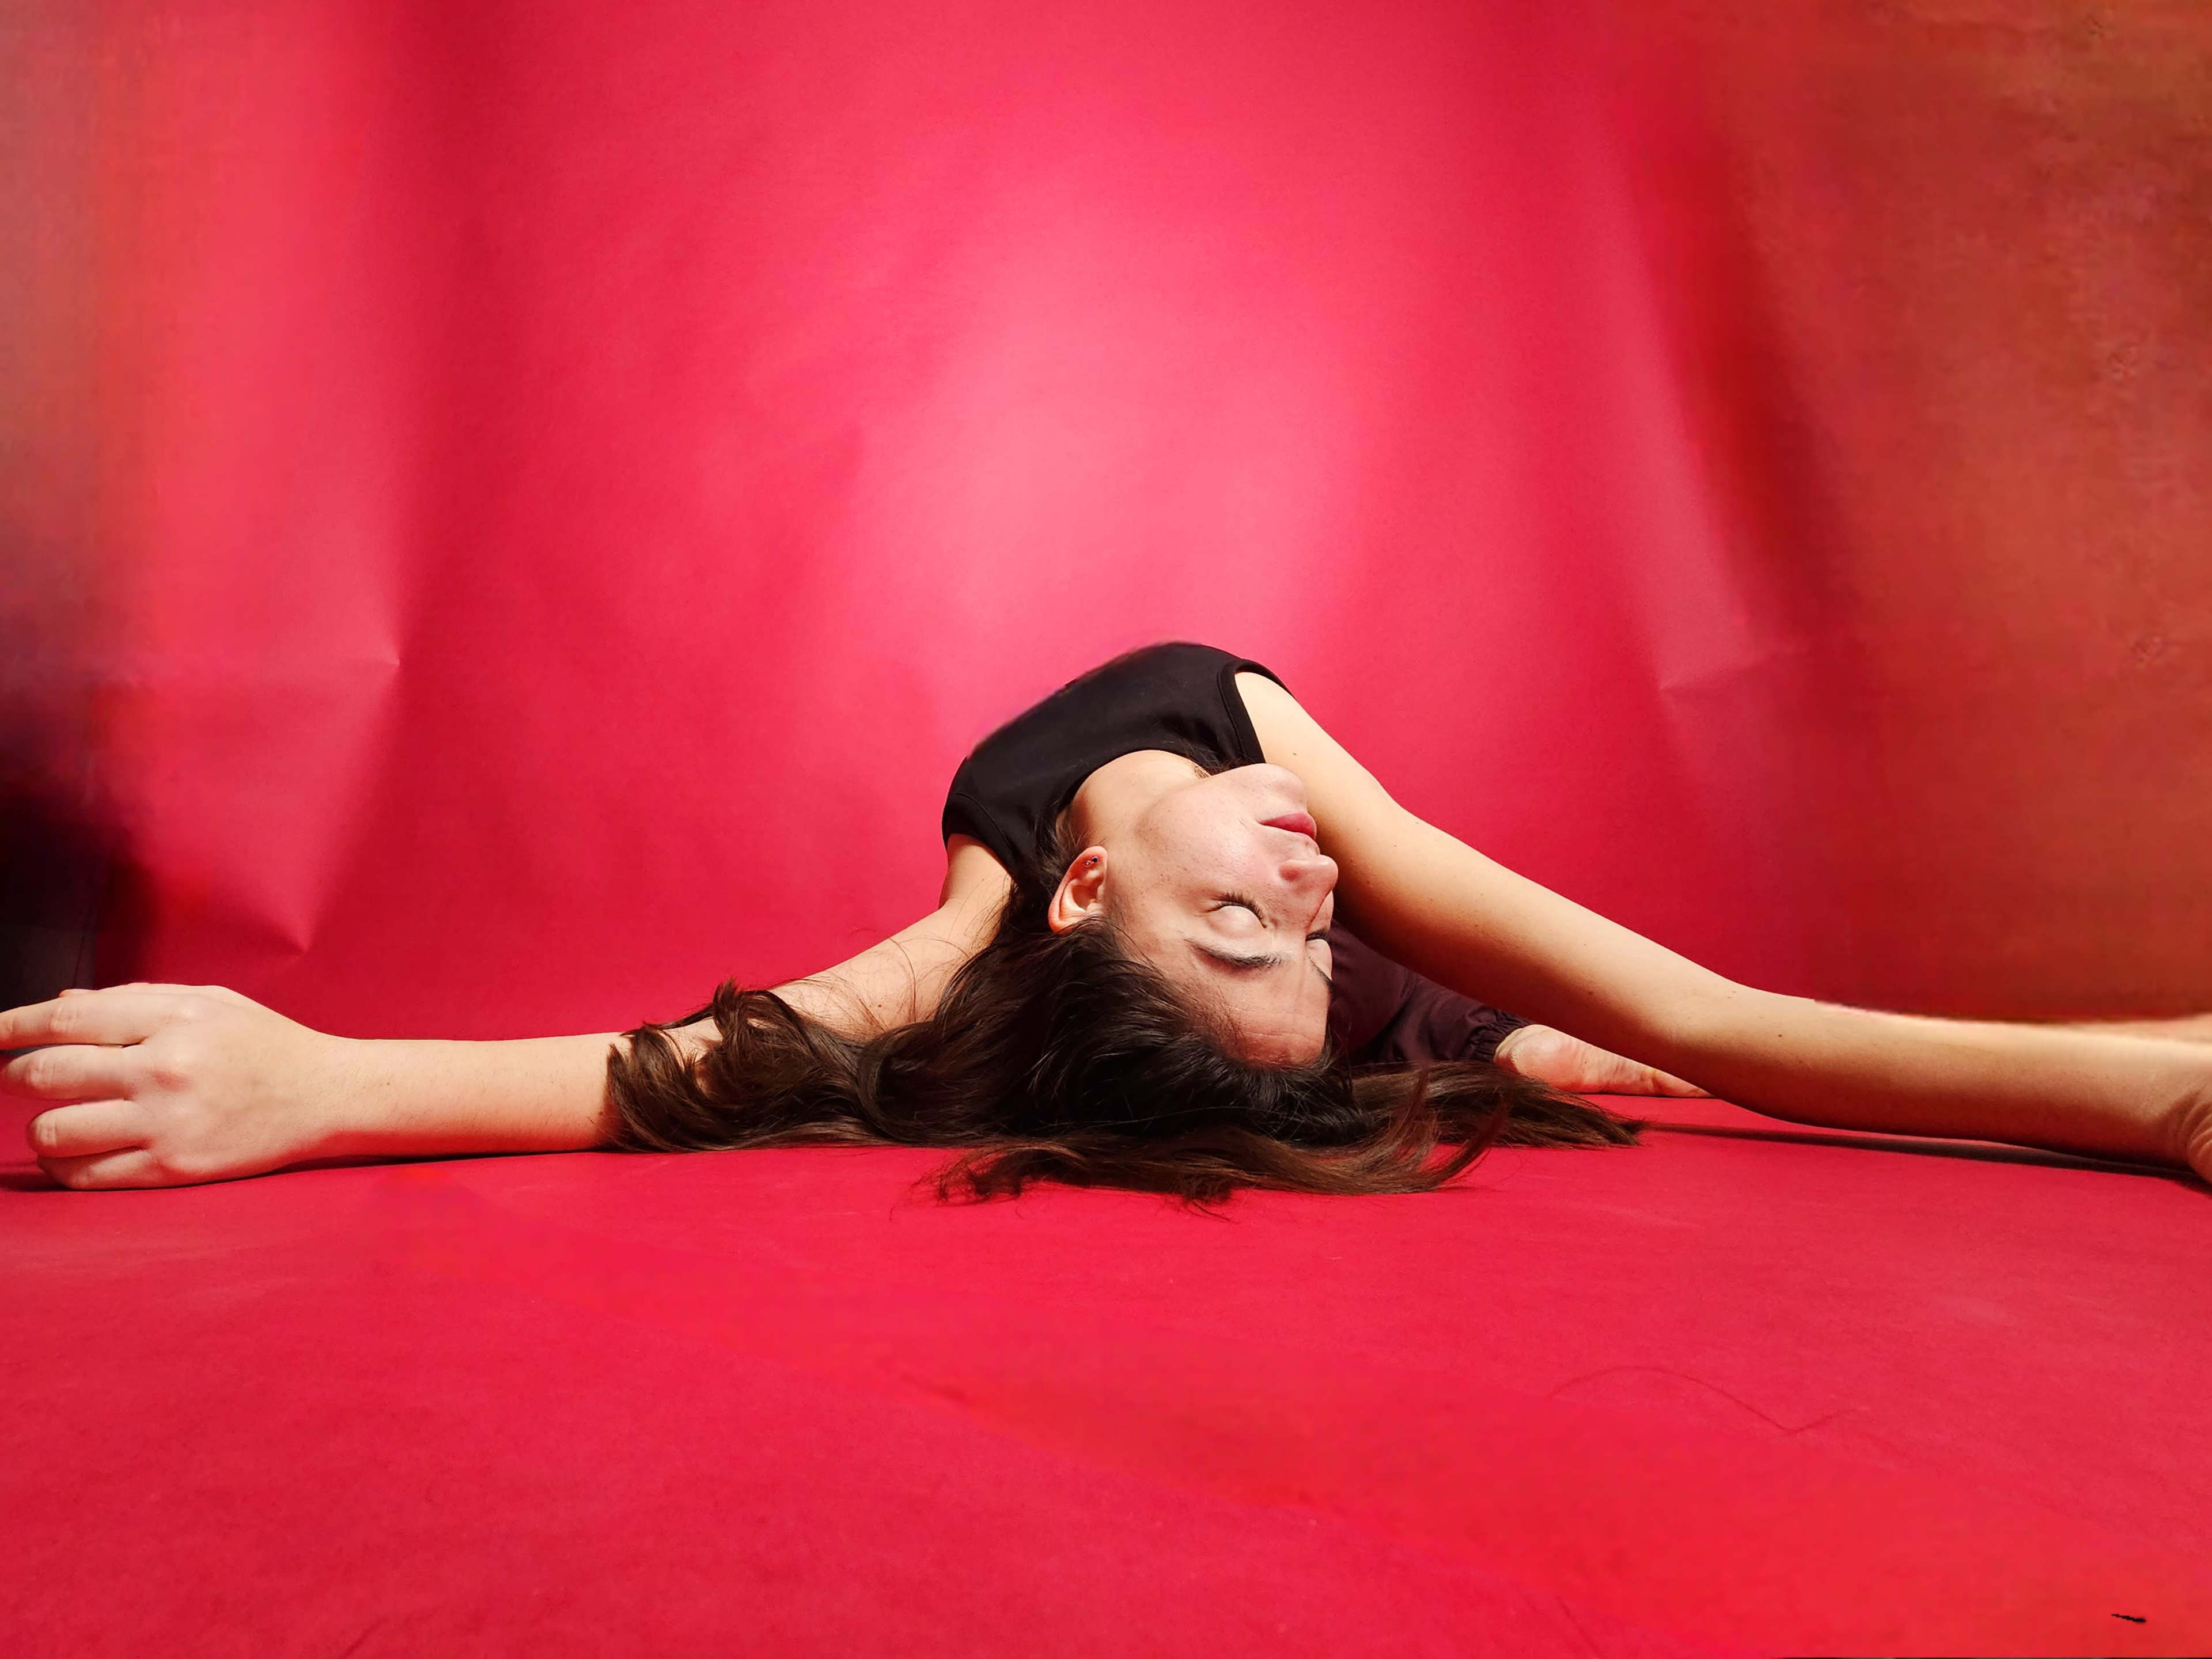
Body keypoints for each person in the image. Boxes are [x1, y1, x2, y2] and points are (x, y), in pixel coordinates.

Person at [6, 642, 2210, 1196]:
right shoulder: (1309, 854)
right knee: (1536, 1040)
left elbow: (700, 1067)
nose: (1311, 883)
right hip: (1402, 1035)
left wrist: (320, 1082)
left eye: (1254, 924)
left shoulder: (988, 908)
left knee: (1620, 1037)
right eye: (1302, 923)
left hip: (1378, 1029)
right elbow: (1705, 1025)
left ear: (1083, 885)